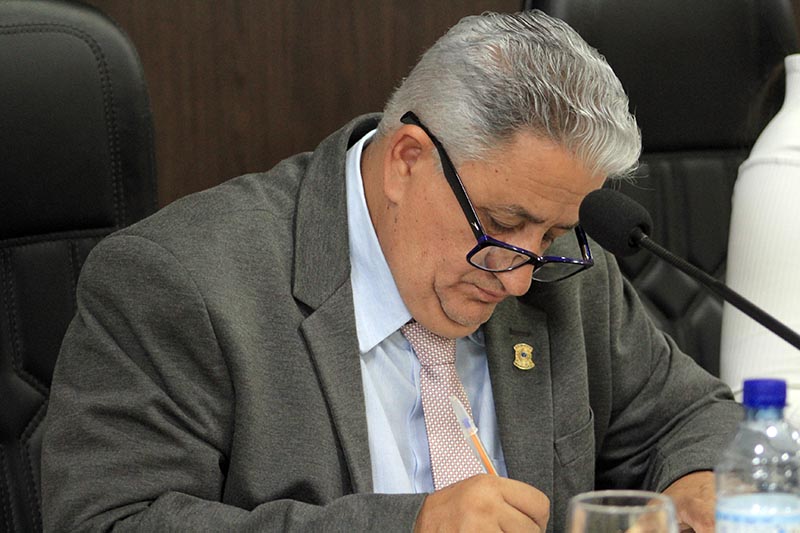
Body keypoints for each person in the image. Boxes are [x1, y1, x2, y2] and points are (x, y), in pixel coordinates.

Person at [41, 10, 740, 532]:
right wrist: (410, 525)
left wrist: (697, 485)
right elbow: (114, 520)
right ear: (407, 160)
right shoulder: (182, 282)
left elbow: (691, 416)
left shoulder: (559, 268)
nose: (519, 279)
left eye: (552, 233)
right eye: (499, 224)